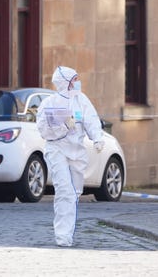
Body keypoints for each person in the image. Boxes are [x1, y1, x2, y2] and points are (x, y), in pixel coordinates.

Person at [36, 66, 105, 247]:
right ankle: (62, 236)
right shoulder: (49, 103)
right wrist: (63, 126)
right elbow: (44, 130)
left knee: (74, 193)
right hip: (57, 150)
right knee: (64, 190)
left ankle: (68, 232)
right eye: (74, 79)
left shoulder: (82, 100)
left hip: (77, 152)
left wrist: (97, 137)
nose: (77, 82)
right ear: (65, 82)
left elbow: (91, 119)